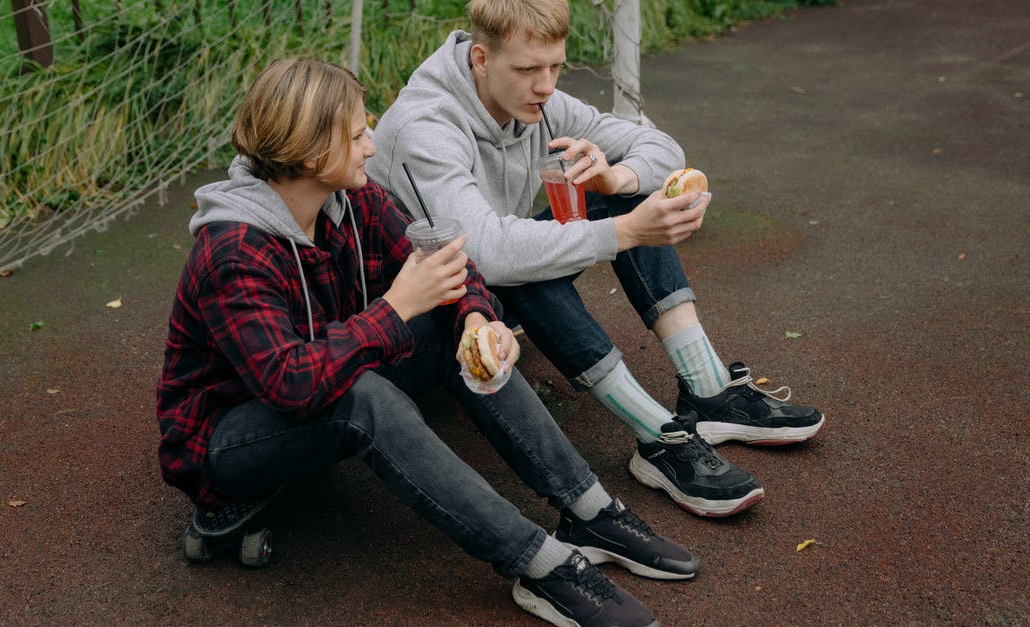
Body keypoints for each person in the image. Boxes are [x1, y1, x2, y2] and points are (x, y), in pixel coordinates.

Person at [156, 56, 700, 627]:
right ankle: (537, 564)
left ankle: (587, 509)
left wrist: (476, 322)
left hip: (319, 390)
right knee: (366, 397)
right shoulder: (233, 252)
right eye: (360, 134)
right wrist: (395, 308)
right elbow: (291, 383)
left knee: (448, 329)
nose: (372, 146)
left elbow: (447, 266)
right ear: (315, 155)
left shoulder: (351, 199)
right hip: (227, 445)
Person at [366, 0, 825, 518]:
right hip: (420, 323)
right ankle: (657, 439)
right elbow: (486, 254)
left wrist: (615, 180)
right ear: (480, 58)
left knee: (628, 192)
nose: (545, 85)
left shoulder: (536, 100)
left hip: (488, 293)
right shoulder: (424, 128)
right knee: (520, 263)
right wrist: (626, 232)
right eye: (528, 70)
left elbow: (661, 148)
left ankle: (708, 390)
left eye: (555, 67)